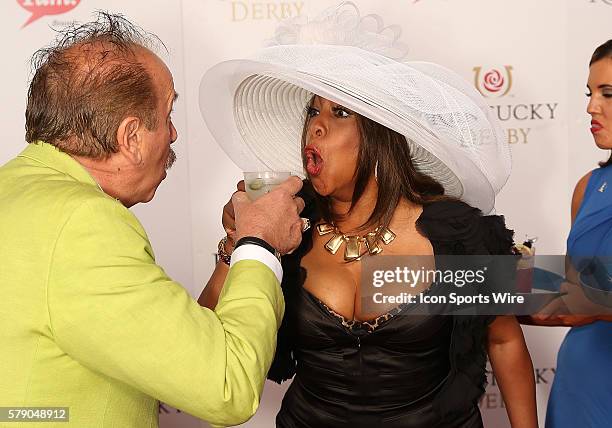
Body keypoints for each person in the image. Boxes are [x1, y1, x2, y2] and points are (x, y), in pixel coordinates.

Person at [199, 3, 537, 427]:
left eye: (339, 112)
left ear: (379, 135)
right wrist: (241, 242)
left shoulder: (454, 234)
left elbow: (504, 340)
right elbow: (206, 339)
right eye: (312, 111)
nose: (316, 127)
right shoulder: (285, 227)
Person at [0, 12, 306, 428]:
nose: (174, 135)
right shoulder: (82, 224)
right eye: (167, 117)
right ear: (130, 138)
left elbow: (167, 355)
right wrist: (262, 243)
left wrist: (236, 251)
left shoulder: (15, 191)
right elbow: (226, 386)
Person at [531, 40, 612, 428]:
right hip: (578, 390)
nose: (591, 107)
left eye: (608, 93)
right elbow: (569, 288)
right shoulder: (588, 186)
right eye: (590, 92)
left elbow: (585, 298)